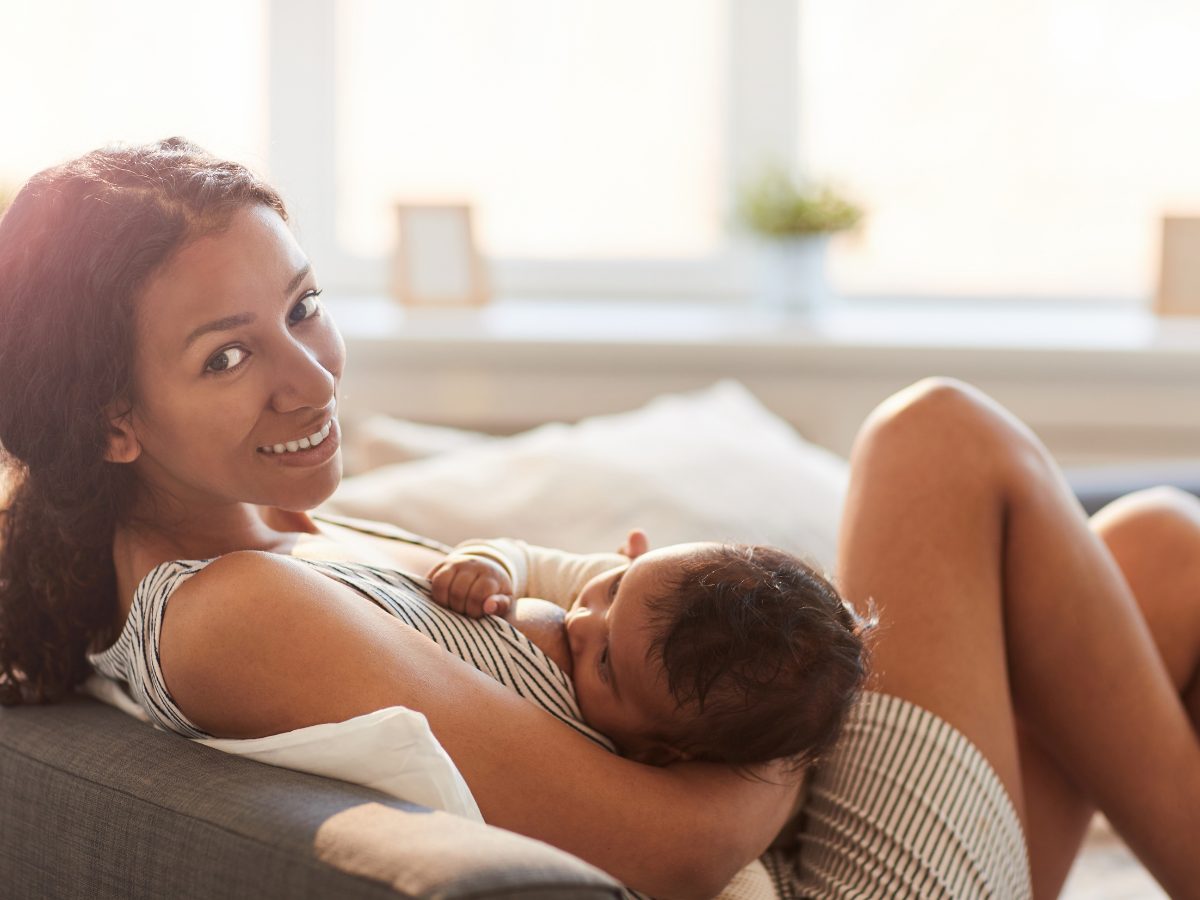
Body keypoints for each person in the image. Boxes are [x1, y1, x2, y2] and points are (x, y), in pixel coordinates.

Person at [1, 138, 1198, 899]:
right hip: (820, 877)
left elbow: (569, 600)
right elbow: (666, 855)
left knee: (1151, 549)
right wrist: (792, 705)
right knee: (936, 435)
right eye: (226, 357)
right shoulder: (231, 612)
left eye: (304, 306)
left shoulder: (270, 533)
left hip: (800, 842)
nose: (311, 380)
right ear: (111, 419)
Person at [425, 530, 875, 769]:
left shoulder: (680, 786)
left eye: (604, 661)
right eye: (617, 588)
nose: (582, 618)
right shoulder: (610, 583)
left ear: (658, 752)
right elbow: (527, 559)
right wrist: (490, 565)